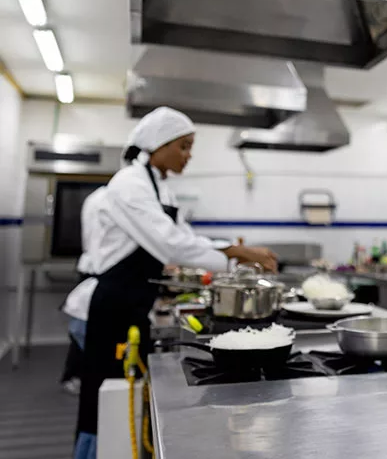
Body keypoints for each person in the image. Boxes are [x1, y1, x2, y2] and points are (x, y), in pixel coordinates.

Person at [74, 107, 279, 459]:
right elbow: (168, 242)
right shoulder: (129, 183)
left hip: (136, 300)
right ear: (158, 144)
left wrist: (234, 253)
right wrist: (240, 252)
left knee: (127, 393)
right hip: (114, 304)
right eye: (183, 146)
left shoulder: (161, 188)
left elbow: (185, 238)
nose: (189, 155)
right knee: (104, 399)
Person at [60, 186, 107, 394]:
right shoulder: (109, 198)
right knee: (85, 328)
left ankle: (77, 375)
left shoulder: (96, 197)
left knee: (84, 327)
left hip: (92, 266)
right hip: (96, 269)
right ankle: (74, 376)